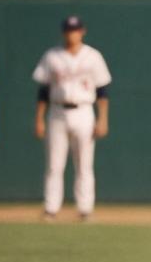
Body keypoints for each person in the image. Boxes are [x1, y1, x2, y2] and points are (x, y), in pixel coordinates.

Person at [33, 15, 112, 222]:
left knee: (84, 163)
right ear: (63, 32)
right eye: (68, 30)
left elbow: (102, 91)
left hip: (84, 111)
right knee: (53, 164)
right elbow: (43, 91)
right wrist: (39, 119)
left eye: (75, 30)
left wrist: (103, 119)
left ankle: (85, 209)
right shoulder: (52, 56)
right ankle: (51, 208)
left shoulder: (93, 56)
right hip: (57, 112)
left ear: (82, 31)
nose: (72, 33)